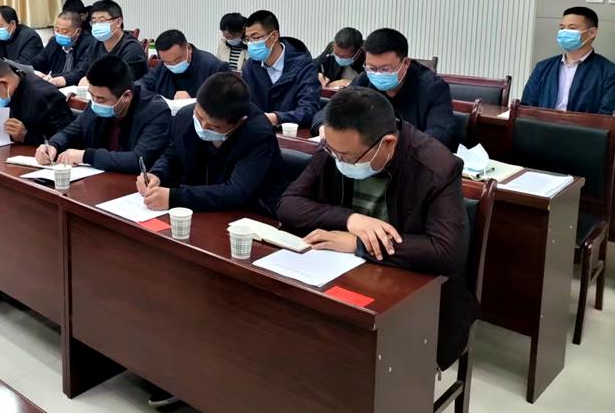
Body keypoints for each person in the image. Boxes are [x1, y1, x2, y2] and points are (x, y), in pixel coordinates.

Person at [276, 87, 476, 369]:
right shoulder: (336, 148)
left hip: (411, 298)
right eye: (333, 152)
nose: (339, 161)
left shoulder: (436, 166)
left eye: (349, 157)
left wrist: (357, 245)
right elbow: (288, 204)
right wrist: (350, 220)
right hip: (340, 277)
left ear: (388, 144)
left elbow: (447, 252)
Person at [137, 72, 291, 214]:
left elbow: (238, 191)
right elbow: (173, 154)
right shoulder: (185, 116)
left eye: (214, 127)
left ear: (239, 122)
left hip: (249, 213)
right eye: (199, 117)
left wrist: (175, 198)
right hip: (199, 207)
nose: (203, 126)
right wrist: (157, 174)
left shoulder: (258, 135)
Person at [312, 28, 455, 149]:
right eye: (371, 68)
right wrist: (324, 127)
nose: (377, 74)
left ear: (406, 63)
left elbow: (440, 133)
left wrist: (393, 147)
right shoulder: (365, 79)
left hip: (410, 160)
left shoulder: (432, 87)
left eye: (385, 69)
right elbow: (329, 110)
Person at [37, 55, 171, 173]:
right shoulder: (96, 101)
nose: (95, 102)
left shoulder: (155, 112)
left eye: (101, 99)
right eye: (92, 95)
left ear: (126, 96)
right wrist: (53, 145)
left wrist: (87, 156)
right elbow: (71, 132)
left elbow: (138, 160)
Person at [521, 6, 615, 114]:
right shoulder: (543, 67)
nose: (564, 32)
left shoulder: (609, 72)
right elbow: (526, 106)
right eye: (562, 28)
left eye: (572, 28)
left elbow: (606, 114)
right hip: (542, 124)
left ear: (592, 32)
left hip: (582, 125)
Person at [0, 54, 74, 145]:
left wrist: (27, 135)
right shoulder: (10, 93)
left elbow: (68, 140)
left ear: (3, 84)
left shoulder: (45, 97)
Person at [240, 10, 320, 128]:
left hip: (292, 134)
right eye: (248, 39)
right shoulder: (250, 66)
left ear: (274, 36)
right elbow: (243, 103)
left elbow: (309, 110)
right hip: (257, 131)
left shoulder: (304, 67)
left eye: (255, 38)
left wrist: (277, 118)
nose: (251, 44)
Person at [142, 29, 229, 99]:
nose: (173, 64)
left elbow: (224, 102)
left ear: (189, 49)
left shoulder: (214, 67)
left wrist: (194, 103)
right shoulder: (163, 65)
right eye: (168, 62)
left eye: (178, 59)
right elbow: (144, 83)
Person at [83, 0, 148, 81]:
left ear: (118, 22)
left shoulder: (132, 48)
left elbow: (123, 81)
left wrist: (92, 81)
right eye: (94, 22)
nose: (97, 25)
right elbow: (82, 70)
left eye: (102, 21)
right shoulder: (95, 45)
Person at [30, 10, 96, 88]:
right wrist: (32, 70)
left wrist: (51, 78)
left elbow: (80, 71)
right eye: (57, 30)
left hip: (75, 87)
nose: (59, 34)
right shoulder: (54, 41)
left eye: (64, 31)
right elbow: (39, 60)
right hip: (54, 85)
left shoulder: (90, 44)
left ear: (77, 31)